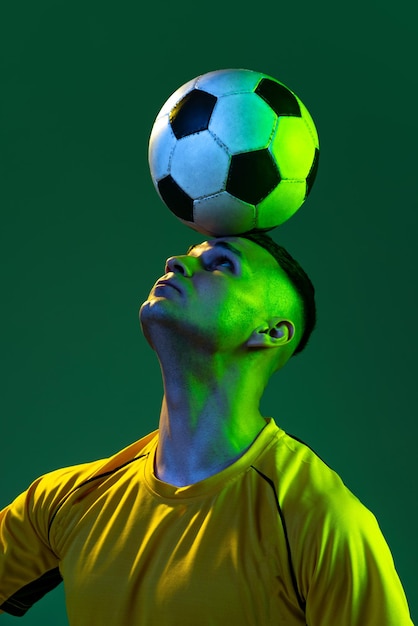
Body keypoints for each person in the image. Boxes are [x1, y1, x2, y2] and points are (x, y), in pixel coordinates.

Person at [0, 232, 413, 625]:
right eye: (188, 254)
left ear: (270, 331)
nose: (175, 262)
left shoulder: (320, 521)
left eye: (220, 265)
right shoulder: (66, 500)